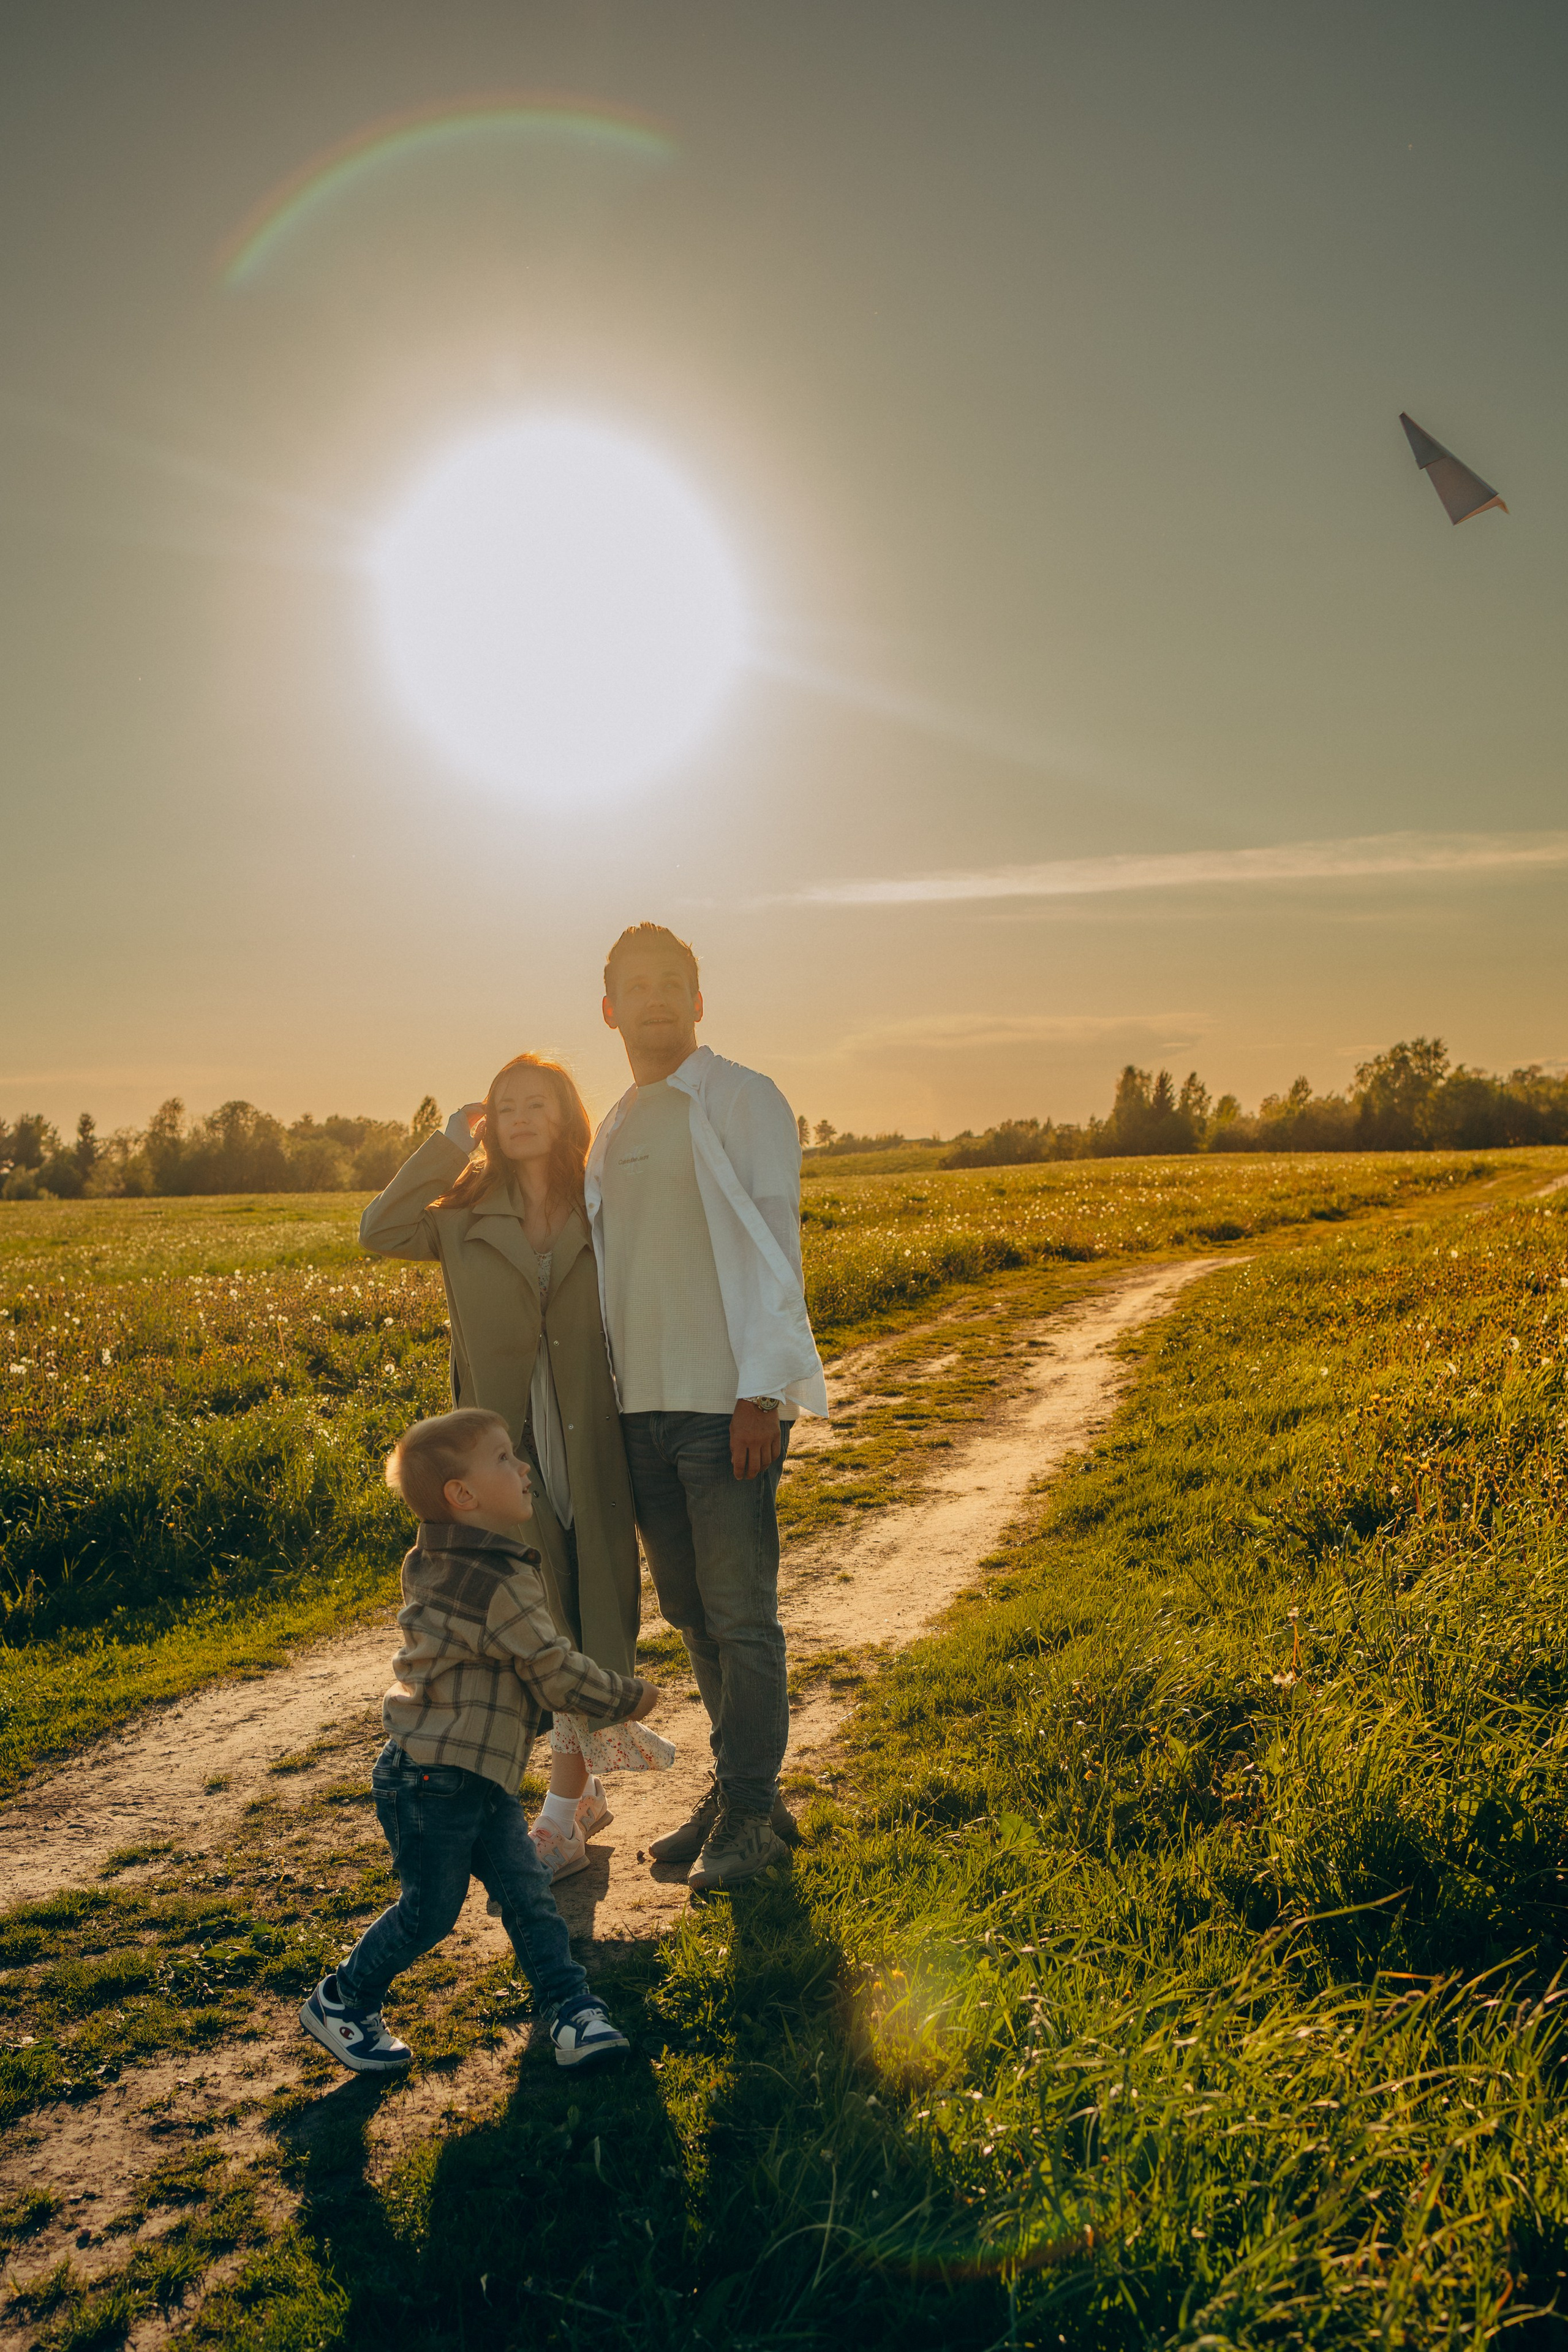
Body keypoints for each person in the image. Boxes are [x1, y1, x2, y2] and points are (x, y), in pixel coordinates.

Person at [300, 1408, 656, 2075]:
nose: (524, 1468)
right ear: (461, 1497)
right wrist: (630, 1695)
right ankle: (344, 2000)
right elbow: (552, 1671)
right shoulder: (493, 1580)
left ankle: (572, 2010)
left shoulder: (438, 1558)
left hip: (465, 1776)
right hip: (432, 1780)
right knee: (430, 1911)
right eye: (502, 1458)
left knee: (527, 1895)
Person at [588, 922, 827, 1893]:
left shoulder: (740, 1097)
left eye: (671, 983)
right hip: (637, 1413)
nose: (654, 998)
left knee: (741, 1616)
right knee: (691, 1615)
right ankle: (749, 1796)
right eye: (634, 986)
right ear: (607, 1010)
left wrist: (762, 1392)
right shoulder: (611, 1124)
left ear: (699, 999)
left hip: (724, 1405)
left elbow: (776, 1246)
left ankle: (746, 1810)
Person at [360, 1054, 639, 1880]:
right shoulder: (462, 1210)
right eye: (504, 1105)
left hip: (593, 1434)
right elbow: (378, 1229)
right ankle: (567, 1809)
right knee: (532, 1622)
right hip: (502, 1449)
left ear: (564, 1115)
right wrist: (448, 1143)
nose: (519, 1116)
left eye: (536, 1103)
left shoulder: (602, 1201)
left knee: (594, 1612)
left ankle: (564, 1809)